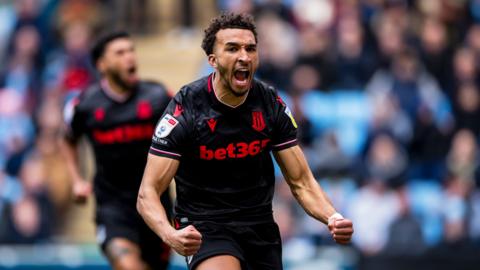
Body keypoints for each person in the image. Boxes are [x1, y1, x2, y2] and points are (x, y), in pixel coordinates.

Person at [137, 12, 353, 270]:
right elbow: (147, 193)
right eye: (233, 48)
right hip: (206, 226)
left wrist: (333, 217)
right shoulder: (186, 109)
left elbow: (301, 182)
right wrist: (170, 235)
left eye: (250, 48)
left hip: (259, 226)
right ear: (213, 60)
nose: (244, 56)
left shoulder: (270, 103)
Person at [61, 31, 172, 270]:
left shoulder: (158, 96)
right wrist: (76, 180)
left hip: (156, 204)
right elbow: (68, 140)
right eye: (120, 53)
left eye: (131, 50)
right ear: (102, 65)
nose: (130, 57)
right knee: (127, 265)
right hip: (113, 206)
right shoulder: (84, 105)